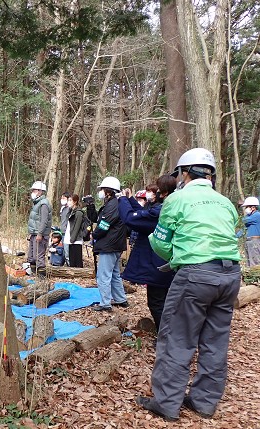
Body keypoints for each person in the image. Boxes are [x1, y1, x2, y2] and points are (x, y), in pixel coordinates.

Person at [136, 148, 241, 422]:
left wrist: (176, 256)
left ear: (183, 174)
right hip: (230, 275)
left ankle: (167, 403)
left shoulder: (178, 200)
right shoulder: (225, 202)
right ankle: (205, 401)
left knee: (177, 338)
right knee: (215, 341)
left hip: (195, 274)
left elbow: (159, 241)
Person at [118, 176, 177, 331]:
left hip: (158, 264)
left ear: (163, 193)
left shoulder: (161, 211)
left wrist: (123, 200)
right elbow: (143, 213)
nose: (152, 194)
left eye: (155, 190)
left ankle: (167, 337)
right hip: (166, 262)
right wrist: (130, 199)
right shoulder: (167, 207)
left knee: (157, 302)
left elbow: (132, 219)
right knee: (163, 300)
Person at [91, 176, 129, 312]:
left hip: (110, 245)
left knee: (103, 275)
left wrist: (95, 234)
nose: (100, 191)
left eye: (102, 189)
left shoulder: (113, 205)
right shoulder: (113, 203)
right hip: (115, 244)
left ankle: (105, 303)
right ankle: (120, 299)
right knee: (114, 274)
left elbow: (105, 224)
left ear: (108, 191)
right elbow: (97, 218)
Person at [27, 181, 52, 278]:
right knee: (31, 257)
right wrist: (31, 233)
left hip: (40, 234)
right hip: (34, 233)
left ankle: (42, 278)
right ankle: (34, 275)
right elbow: (34, 220)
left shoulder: (44, 204)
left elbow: (44, 221)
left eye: (34, 190)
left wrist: (40, 233)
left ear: (40, 191)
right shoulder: (37, 203)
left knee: (39, 257)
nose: (32, 192)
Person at [65, 194, 85, 268]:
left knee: (77, 260)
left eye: (70, 200)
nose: (68, 202)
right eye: (68, 200)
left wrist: (72, 239)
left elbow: (77, 227)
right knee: (72, 260)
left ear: (75, 201)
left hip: (76, 239)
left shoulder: (79, 213)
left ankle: (79, 275)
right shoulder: (70, 212)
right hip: (71, 238)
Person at [241, 197, 260, 267]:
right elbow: (244, 229)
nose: (245, 209)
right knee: (248, 262)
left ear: (253, 207)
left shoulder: (257, 215)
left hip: (255, 241)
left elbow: (243, 220)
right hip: (248, 241)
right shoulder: (250, 217)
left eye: (247, 207)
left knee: (255, 262)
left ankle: (256, 276)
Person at [59, 192, 72, 265]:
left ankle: (69, 266)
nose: (62, 199)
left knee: (67, 251)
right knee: (63, 249)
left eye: (64, 198)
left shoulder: (70, 209)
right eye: (61, 198)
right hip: (62, 231)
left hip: (68, 232)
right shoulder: (63, 208)